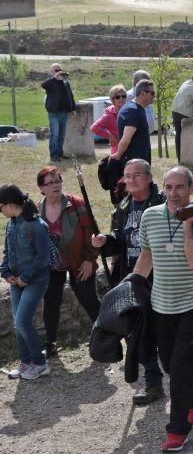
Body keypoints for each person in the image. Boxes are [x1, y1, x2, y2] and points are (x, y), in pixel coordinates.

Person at [133, 166, 193, 452]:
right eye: (168, 187)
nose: (173, 194)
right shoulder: (150, 216)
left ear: (192, 188)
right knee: (169, 364)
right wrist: (132, 287)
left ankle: (177, 429)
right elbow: (147, 256)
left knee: (180, 367)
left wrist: (187, 223)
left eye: (180, 187)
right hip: (161, 303)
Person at [91, 158, 165, 404]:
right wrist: (105, 241)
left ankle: (178, 372)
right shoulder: (122, 207)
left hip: (161, 274)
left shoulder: (162, 202)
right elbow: (118, 240)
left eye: (137, 175)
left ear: (149, 177)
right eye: (127, 175)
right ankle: (154, 383)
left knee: (164, 328)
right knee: (138, 330)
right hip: (132, 277)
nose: (130, 180)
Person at [37, 166, 101, 357]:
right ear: (42, 188)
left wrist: (90, 259)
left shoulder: (76, 203)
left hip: (80, 260)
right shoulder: (37, 209)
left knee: (88, 298)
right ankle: (50, 344)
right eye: (51, 182)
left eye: (58, 180)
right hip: (52, 265)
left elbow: (92, 232)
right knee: (51, 302)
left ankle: (104, 336)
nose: (56, 185)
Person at [1, 185, 51, 380]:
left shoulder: (37, 225)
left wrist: (25, 277)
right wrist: (5, 273)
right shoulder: (11, 224)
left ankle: (40, 364)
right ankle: (25, 363)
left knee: (22, 321)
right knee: (17, 323)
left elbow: (42, 258)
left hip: (35, 281)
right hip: (16, 282)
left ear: (10, 205)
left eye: (0, 207)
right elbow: (7, 252)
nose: (0, 211)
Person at [112, 79, 154, 165]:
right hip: (134, 162)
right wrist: (118, 154)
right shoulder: (133, 111)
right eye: (152, 93)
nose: (154, 96)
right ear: (143, 93)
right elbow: (126, 138)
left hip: (138, 161)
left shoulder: (136, 108)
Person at [40, 62, 76, 163]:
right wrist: (54, 78)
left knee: (62, 135)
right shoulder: (50, 83)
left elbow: (70, 96)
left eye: (59, 70)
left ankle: (60, 153)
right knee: (54, 135)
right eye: (56, 70)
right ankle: (54, 155)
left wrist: (73, 108)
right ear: (52, 72)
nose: (58, 72)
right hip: (53, 113)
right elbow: (43, 85)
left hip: (64, 113)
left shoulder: (65, 83)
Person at [171, 73, 193, 162]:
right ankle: (188, 158)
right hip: (185, 113)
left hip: (175, 111)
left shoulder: (185, 83)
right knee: (187, 137)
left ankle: (180, 158)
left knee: (179, 136)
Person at [90, 84, 128, 156]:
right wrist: (110, 136)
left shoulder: (129, 111)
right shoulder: (109, 115)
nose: (121, 99)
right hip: (117, 150)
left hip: (130, 149)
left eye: (123, 96)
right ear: (113, 99)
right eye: (117, 97)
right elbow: (94, 128)